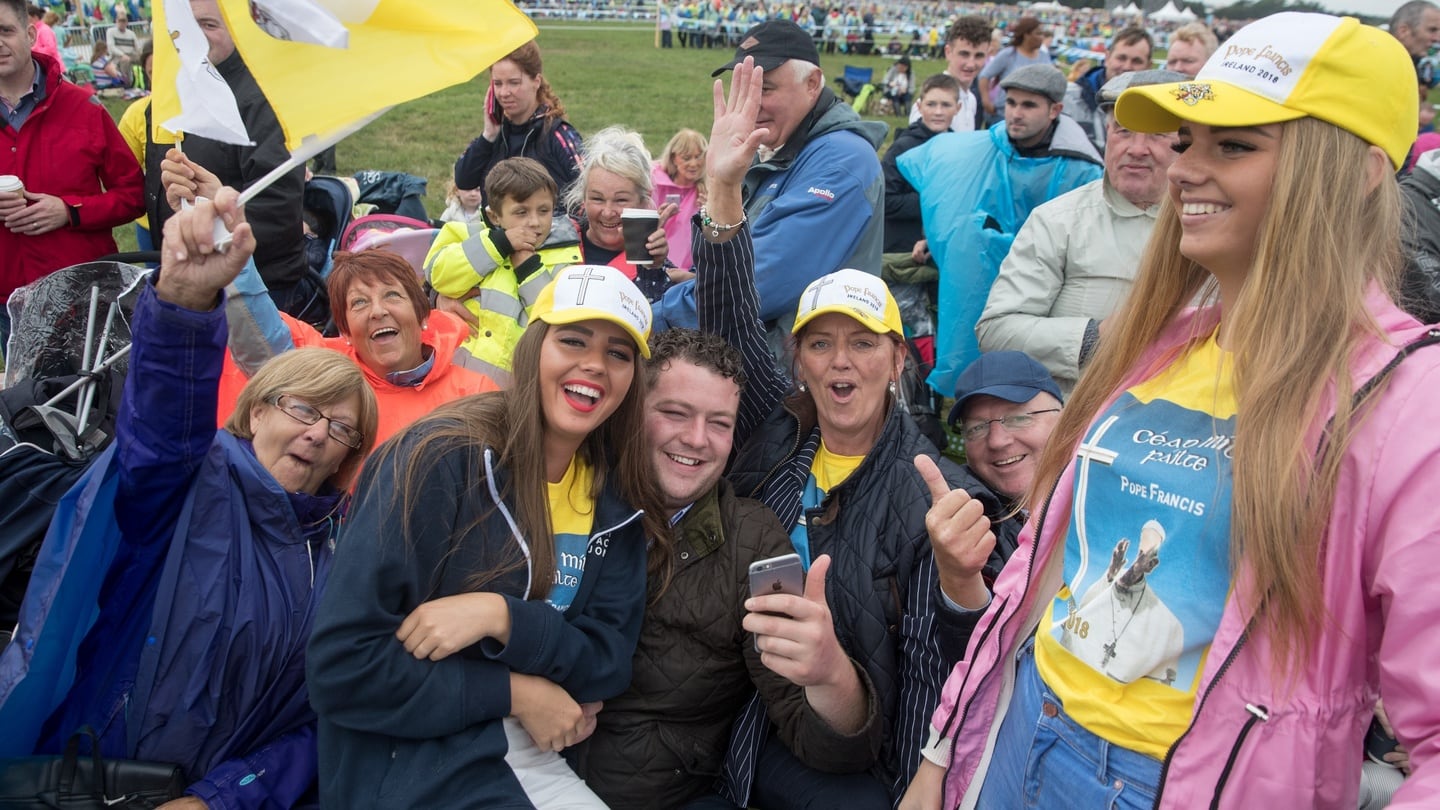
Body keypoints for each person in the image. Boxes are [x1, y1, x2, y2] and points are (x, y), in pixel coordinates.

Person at [902, 13, 1440, 809]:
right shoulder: (1160, 344)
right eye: (1188, 140)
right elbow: (1039, 580)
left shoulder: (1404, 404)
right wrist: (943, 756)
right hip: (1019, 738)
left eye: (1234, 145)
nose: (1184, 168)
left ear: (1359, 172)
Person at [0, 188, 379, 809]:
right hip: (94, 780)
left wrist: (219, 798)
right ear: (256, 412)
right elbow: (158, 429)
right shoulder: (187, 488)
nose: (317, 433)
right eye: (303, 409)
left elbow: (322, 720)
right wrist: (184, 302)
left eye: (341, 429)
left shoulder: (342, 562)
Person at [694, 56, 1002, 808]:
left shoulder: (937, 494)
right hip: (745, 734)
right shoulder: (777, 434)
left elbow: (942, 670)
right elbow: (733, 319)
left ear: (898, 359)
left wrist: (966, 590)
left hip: (860, 771)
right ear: (795, 358)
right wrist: (725, 190)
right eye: (821, 343)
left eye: (863, 343)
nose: (842, 363)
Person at [307, 264, 672, 809]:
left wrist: (499, 617)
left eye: (619, 354)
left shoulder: (614, 499)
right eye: (573, 340)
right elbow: (344, 667)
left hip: (533, 754)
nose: (594, 365)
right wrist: (514, 691)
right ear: (533, 349)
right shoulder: (438, 458)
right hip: (415, 762)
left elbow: (605, 662)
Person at [158, 148, 499, 448]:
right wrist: (217, 222)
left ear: (423, 314)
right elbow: (260, 334)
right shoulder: (328, 377)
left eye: (392, 295)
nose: (378, 311)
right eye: (359, 303)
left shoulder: (474, 389)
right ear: (347, 331)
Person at [653, 18, 888, 358]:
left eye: (765, 88)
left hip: (801, 387)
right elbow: (738, 258)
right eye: (743, 88)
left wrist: (648, 317)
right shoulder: (781, 150)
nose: (751, 104)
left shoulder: (841, 163)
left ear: (812, 84)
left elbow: (753, 287)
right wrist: (720, 183)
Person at [897, 63, 1103, 396]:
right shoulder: (981, 151)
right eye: (1011, 103)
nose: (1015, 114)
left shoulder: (1081, 168)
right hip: (977, 281)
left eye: (1029, 105)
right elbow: (955, 200)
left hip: (1044, 289)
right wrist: (938, 238)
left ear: (1056, 110)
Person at [977, 70, 1185, 394]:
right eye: (1124, 131)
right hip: (1080, 423)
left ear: (1187, 143)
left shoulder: (1222, 228)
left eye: (1156, 134)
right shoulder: (1058, 221)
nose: (1136, 149)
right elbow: (997, 329)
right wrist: (1092, 339)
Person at [147, 0, 310, 321]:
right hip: (191, 276)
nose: (197, 37)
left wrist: (217, 214)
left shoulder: (263, 100)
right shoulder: (171, 94)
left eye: (209, 25)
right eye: (188, 25)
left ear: (237, 30)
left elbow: (279, 211)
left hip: (259, 286)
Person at [0, 0, 145, 347]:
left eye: (5, 31)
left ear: (31, 33)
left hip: (80, 296)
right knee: (17, 399)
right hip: (4, 302)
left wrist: (69, 211)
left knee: (86, 399)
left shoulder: (84, 109)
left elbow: (134, 195)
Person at [426, 156, 584, 384]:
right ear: (495, 217)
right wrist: (497, 245)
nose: (534, 222)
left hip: (511, 389)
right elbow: (440, 276)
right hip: (450, 376)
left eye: (544, 210)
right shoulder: (465, 235)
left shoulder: (565, 257)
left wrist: (528, 266)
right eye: (521, 212)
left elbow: (554, 320)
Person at [943, 350, 1065, 574]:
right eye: (977, 427)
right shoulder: (962, 522)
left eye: (1018, 418)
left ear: (1064, 418)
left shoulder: (1114, 491)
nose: (997, 441)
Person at [454, 40, 584, 207]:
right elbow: (463, 180)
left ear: (536, 81)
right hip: (497, 232)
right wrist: (489, 135)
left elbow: (588, 189)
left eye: (514, 83)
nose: (504, 93)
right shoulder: (497, 137)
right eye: (497, 84)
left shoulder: (558, 135)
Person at [559, 125, 676, 301]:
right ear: (583, 197)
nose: (607, 212)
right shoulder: (553, 242)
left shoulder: (658, 268)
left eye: (621, 200)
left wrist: (652, 271)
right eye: (597, 199)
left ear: (644, 200)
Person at [883, 73, 961, 255]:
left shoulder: (959, 148)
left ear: (958, 108)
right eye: (931, 104)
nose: (938, 112)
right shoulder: (903, 148)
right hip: (904, 250)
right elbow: (885, 201)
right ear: (919, 106)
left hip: (943, 248)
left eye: (946, 105)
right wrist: (934, 200)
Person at [1062, 25, 1153, 150]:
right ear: (1107, 58)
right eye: (1121, 58)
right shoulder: (1068, 98)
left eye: (1136, 61)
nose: (1127, 67)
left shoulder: (1155, 109)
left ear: (1149, 66)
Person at [908, 16, 991, 133]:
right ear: (948, 52)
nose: (971, 64)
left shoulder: (971, 99)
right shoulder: (931, 104)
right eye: (964, 54)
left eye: (979, 56)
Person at [976, 17, 1050, 124]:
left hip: (1032, 118)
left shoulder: (1044, 56)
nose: (1042, 37)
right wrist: (986, 101)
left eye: (1043, 34)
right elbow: (984, 76)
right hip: (1003, 115)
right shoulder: (1009, 54)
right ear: (1026, 35)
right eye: (1038, 33)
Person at [651, 127, 707, 269]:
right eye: (687, 158)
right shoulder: (653, 182)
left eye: (699, 156)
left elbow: (717, 234)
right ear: (673, 158)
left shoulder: (708, 189)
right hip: (657, 263)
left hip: (693, 271)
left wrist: (709, 212)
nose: (694, 164)